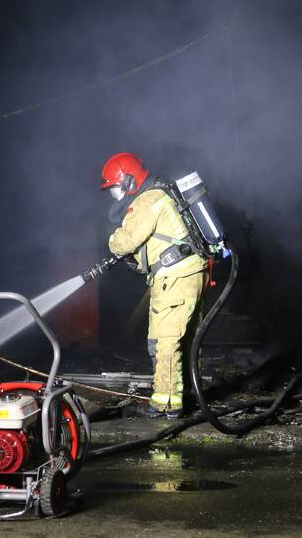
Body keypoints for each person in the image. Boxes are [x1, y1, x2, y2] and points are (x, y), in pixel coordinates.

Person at [101, 152, 207, 418]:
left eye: (114, 188)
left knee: (164, 341)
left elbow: (123, 242)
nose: (114, 195)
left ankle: (167, 403)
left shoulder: (148, 200)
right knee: (186, 339)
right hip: (189, 273)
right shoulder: (161, 192)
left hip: (175, 278)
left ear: (128, 181)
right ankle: (189, 393)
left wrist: (112, 240)